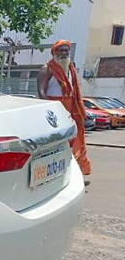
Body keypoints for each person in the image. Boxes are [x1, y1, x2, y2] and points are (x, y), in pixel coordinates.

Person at [37, 40, 91, 181]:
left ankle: (75, 173)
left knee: (76, 139)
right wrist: (50, 113)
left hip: (71, 109)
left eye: (66, 50)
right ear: (54, 52)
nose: (64, 53)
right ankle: (57, 176)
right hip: (55, 109)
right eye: (61, 50)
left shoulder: (70, 68)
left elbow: (74, 90)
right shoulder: (47, 69)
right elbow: (41, 93)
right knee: (59, 143)